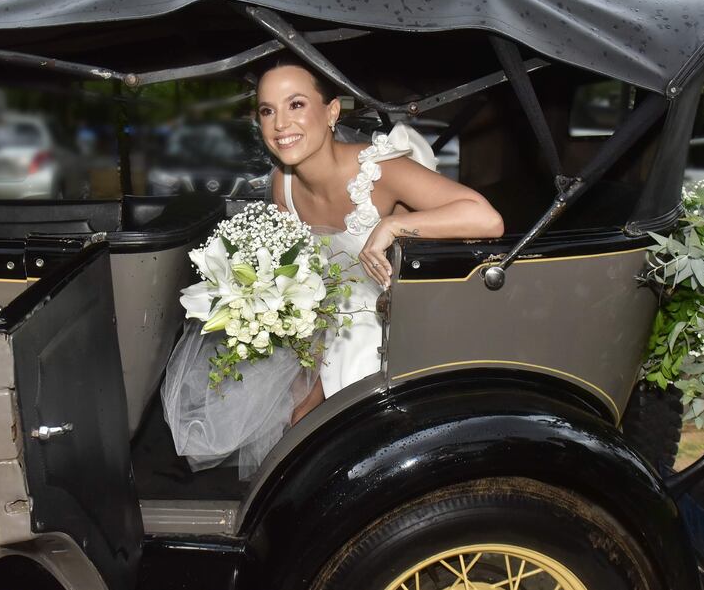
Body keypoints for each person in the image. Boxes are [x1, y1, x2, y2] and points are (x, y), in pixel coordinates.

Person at [161, 56, 503, 477]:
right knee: (298, 429)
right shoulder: (283, 184)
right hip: (331, 325)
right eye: (267, 110)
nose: (280, 124)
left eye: (296, 104)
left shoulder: (379, 170)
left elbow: (486, 218)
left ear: (332, 112)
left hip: (399, 322)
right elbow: (310, 284)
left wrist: (393, 225)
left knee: (345, 410)